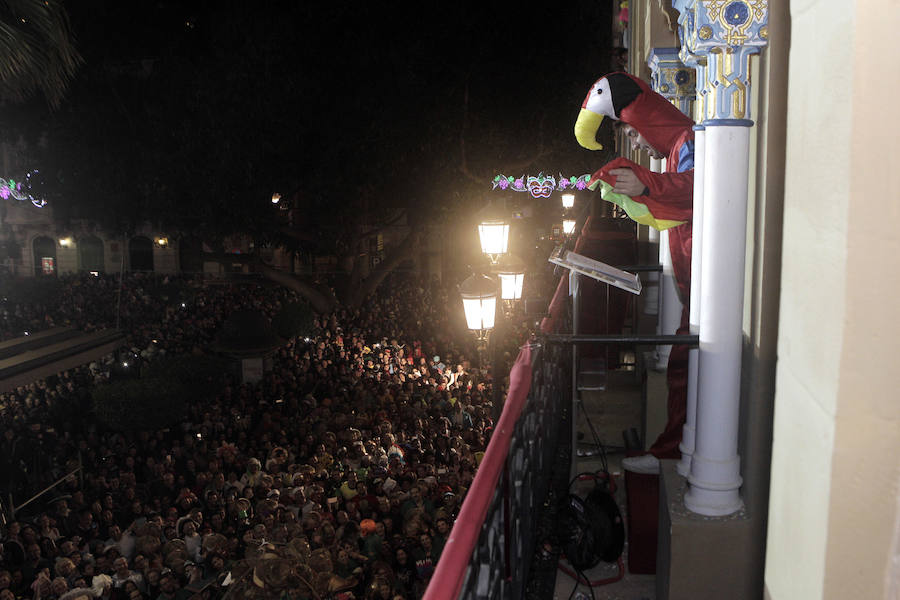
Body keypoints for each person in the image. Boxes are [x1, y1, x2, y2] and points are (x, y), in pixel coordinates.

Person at [574, 71, 695, 473]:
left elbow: (696, 188)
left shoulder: (687, 143)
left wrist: (644, 185)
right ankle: (671, 449)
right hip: (695, 286)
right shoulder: (681, 146)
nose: (637, 141)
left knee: (684, 366)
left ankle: (672, 451)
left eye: (634, 130)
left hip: (703, 288)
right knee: (684, 366)